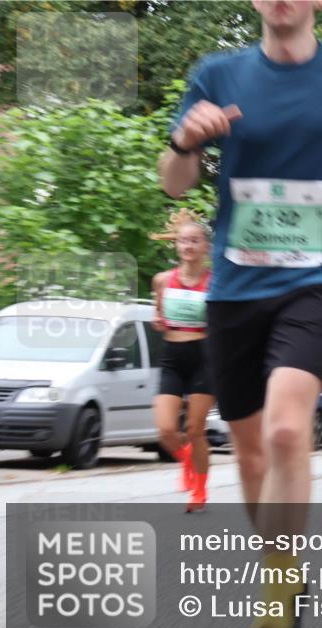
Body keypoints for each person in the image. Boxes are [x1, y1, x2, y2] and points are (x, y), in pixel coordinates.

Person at [159, 1, 322, 628]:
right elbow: (174, 184)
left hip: (320, 275)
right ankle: (288, 567)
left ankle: (275, 604)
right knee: (251, 456)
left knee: (288, 428)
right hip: (236, 287)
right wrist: (187, 140)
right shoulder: (218, 73)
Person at [149, 210, 214, 513]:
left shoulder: (215, 283)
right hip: (172, 356)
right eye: (183, 241)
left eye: (194, 241)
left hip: (204, 357)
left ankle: (199, 491)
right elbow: (157, 315)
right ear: (177, 245)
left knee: (195, 429)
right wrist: (158, 320)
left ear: (205, 247)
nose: (188, 246)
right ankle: (188, 460)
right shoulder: (163, 280)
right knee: (165, 429)